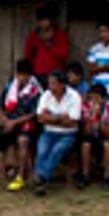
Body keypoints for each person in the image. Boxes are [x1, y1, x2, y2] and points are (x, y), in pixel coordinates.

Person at [0, 60, 41, 190]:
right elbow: (1, 106)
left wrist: (15, 122)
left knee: (23, 141)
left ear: (30, 76)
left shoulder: (35, 91)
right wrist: (5, 120)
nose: (22, 78)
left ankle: (20, 177)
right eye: (19, 75)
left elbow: (34, 113)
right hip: (8, 123)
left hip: (26, 126)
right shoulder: (9, 86)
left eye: (25, 75)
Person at [30, 65, 81, 194]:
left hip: (68, 135)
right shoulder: (46, 95)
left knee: (56, 151)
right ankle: (42, 180)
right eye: (50, 83)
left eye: (54, 84)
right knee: (42, 150)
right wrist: (60, 118)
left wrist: (50, 117)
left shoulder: (74, 97)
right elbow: (40, 118)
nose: (51, 87)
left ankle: (41, 178)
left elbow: (73, 122)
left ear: (62, 84)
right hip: (48, 132)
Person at [77, 85, 109, 188]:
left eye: (96, 98)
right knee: (86, 144)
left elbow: (108, 133)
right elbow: (86, 132)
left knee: (107, 145)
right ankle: (85, 175)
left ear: (104, 98)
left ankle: (107, 177)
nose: (93, 101)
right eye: (91, 98)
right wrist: (91, 117)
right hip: (92, 135)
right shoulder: (85, 107)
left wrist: (99, 117)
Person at [24, 7, 69, 80]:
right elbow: (28, 55)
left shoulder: (61, 35)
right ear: (38, 22)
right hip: (38, 73)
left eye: (48, 20)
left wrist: (50, 45)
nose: (46, 23)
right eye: (43, 20)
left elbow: (64, 54)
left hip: (56, 73)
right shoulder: (33, 36)